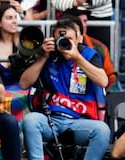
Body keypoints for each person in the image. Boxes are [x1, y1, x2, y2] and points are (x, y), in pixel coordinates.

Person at [19, 18, 111, 160]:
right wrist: (43, 56)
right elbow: (24, 84)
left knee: (102, 131)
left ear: (79, 39)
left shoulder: (88, 54)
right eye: (60, 38)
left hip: (80, 121)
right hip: (51, 119)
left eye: (69, 39)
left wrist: (77, 58)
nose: (65, 42)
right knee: (31, 120)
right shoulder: (48, 55)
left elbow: (103, 81)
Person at [62, 8, 119, 89]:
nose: (83, 25)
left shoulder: (99, 48)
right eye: (78, 22)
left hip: (91, 95)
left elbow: (111, 77)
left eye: (85, 21)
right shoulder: (55, 48)